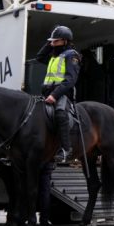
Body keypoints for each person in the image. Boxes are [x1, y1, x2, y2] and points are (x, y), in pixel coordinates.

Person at [34, 25, 81, 163]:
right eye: (52, 41)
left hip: (62, 93)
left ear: (65, 41)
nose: (53, 44)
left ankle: (66, 149)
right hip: (47, 92)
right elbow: (39, 57)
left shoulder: (72, 55)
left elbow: (70, 80)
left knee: (60, 114)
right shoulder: (54, 56)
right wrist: (50, 43)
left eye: (56, 41)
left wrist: (54, 95)